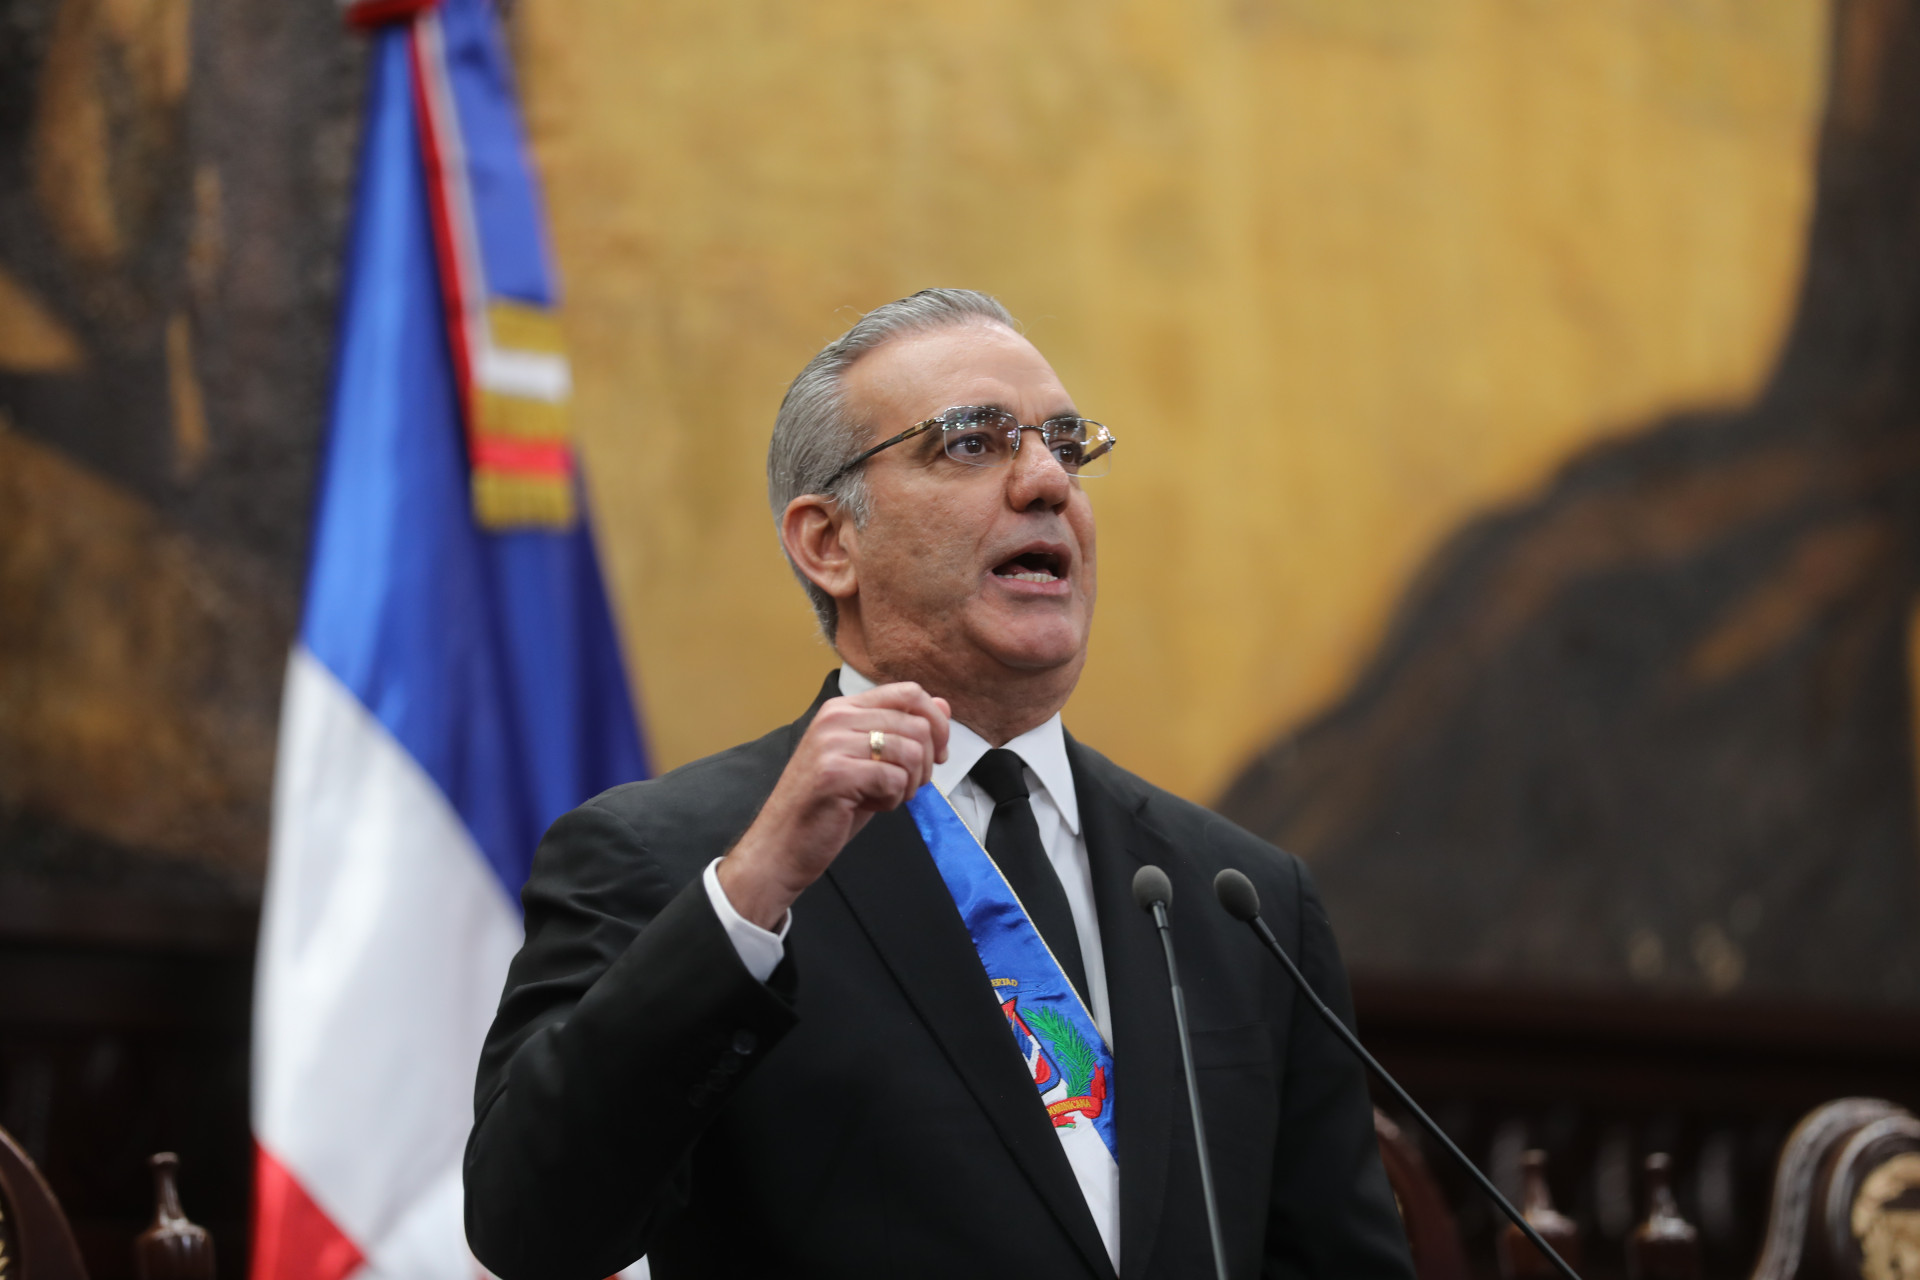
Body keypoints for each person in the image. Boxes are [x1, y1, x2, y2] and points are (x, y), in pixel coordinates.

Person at [463, 289, 1415, 1280]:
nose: (1046, 481)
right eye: (971, 443)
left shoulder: (1239, 895)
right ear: (829, 542)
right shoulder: (673, 859)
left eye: (1066, 445)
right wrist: (751, 894)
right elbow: (532, 1228)